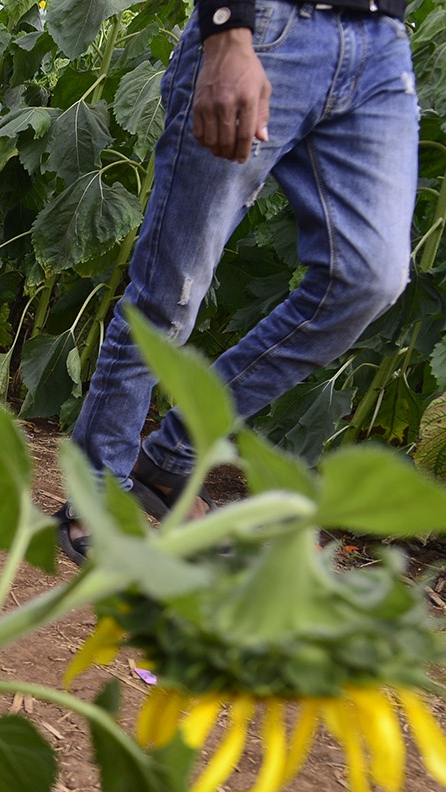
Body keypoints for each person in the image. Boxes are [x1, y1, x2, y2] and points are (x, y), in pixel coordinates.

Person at [55, 0, 415, 561]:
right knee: (171, 292)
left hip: (382, 44)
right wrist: (227, 29)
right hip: (271, 26)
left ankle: (173, 457)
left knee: (367, 279)